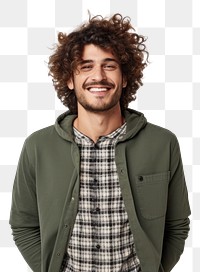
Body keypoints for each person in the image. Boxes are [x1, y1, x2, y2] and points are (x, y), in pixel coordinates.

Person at [9, 13, 191, 272]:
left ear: (125, 77)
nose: (98, 76)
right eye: (86, 66)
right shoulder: (37, 147)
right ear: (70, 80)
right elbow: (23, 225)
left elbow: (177, 224)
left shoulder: (163, 143)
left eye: (109, 65)